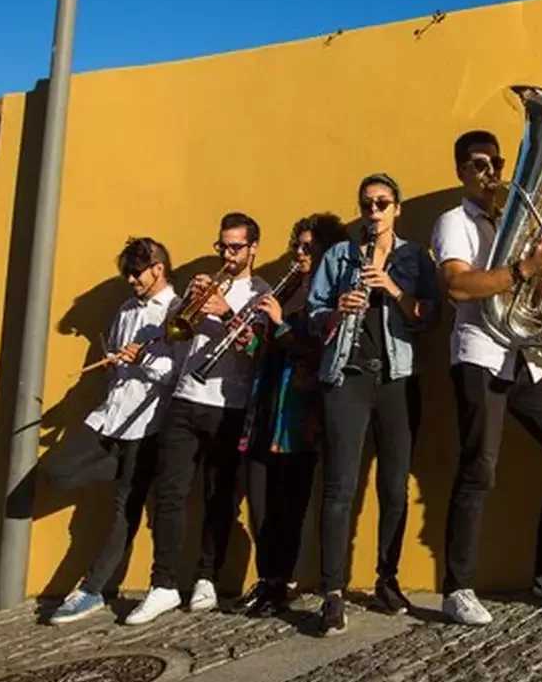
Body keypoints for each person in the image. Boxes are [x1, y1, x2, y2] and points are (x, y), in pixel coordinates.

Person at [431, 129, 542, 628]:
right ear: (460, 170)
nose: (490, 172)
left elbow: (535, 277)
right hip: (481, 353)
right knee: (479, 469)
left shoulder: (517, 222)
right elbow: (458, 286)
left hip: (524, 352)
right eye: (478, 164)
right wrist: (526, 267)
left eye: (496, 162)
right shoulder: (453, 222)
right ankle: (457, 588)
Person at [307, 175, 439, 635]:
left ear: (397, 208)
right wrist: (336, 310)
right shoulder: (340, 256)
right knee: (339, 488)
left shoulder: (414, 257)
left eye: (383, 203)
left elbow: (430, 316)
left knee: (394, 487)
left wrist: (393, 289)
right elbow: (312, 314)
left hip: (397, 379)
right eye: (367, 204)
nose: (374, 211)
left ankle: (387, 579)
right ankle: (332, 592)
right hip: (347, 376)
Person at [127, 212, 268, 626]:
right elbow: (176, 335)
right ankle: (164, 584)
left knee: (219, 496)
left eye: (236, 247)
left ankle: (207, 577)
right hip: (185, 398)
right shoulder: (206, 282)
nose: (227, 254)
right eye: (222, 246)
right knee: (169, 493)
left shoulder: (261, 292)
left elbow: (254, 348)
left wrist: (225, 311)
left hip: (229, 404)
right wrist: (187, 304)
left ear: (253, 248)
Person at [46, 237, 183, 624]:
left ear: (157, 268)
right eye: (126, 273)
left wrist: (142, 361)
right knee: (55, 471)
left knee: (124, 511)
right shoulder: (125, 309)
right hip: (109, 416)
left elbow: (177, 373)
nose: (131, 280)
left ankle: (91, 590)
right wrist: (115, 363)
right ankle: (120, 469)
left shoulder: (176, 310)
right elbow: (120, 364)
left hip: (146, 423)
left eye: (136, 273)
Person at [239, 211, 349, 618]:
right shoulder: (286, 289)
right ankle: (267, 578)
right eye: (297, 246)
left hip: (299, 412)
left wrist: (280, 324)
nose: (299, 254)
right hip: (266, 402)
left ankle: (282, 582)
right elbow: (263, 347)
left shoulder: (330, 295)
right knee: (261, 500)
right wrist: (247, 338)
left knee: (289, 503)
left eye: (308, 248)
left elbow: (318, 351)